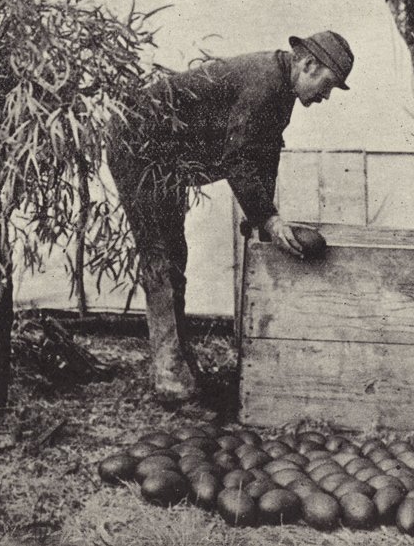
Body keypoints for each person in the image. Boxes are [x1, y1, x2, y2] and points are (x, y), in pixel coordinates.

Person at [108, 31, 353, 403]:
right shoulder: (264, 83)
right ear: (308, 64)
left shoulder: (280, 86)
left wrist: (263, 216)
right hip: (140, 151)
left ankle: (178, 360)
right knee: (161, 255)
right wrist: (268, 219)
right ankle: (169, 373)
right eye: (327, 85)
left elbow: (263, 153)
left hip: (168, 159)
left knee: (175, 253)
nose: (325, 96)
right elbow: (238, 158)